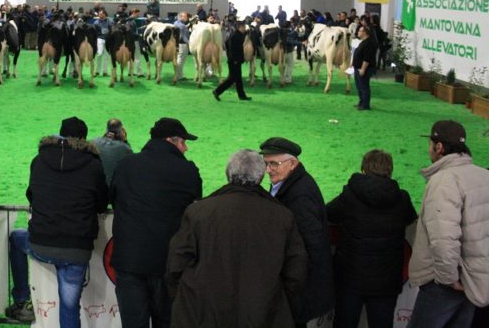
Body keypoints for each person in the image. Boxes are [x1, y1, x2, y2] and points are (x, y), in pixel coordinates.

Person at [166, 149, 308, 328]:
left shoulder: (198, 212)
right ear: (261, 175)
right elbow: (295, 272)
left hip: (203, 313)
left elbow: (176, 263)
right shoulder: (282, 216)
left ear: (228, 174)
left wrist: (185, 300)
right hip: (263, 313)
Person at [6, 117, 108, 327]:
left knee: (16, 238)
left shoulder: (39, 160)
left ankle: (21, 299)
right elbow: (101, 204)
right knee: (70, 308)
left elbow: (31, 195)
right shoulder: (93, 164)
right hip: (76, 249)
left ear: (60, 134)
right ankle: (22, 300)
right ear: (84, 138)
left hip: (41, 242)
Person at [110, 117, 202, 328]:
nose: (186, 148)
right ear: (171, 141)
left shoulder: (126, 164)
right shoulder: (187, 171)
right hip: (167, 263)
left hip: (129, 260)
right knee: (167, 322)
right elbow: (194, 210)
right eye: (183, 142)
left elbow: (114, 199)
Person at [408, 121, 489, 328]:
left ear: (439, 147)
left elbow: (444, 238)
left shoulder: (443, 181)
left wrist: (449, 279)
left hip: (447, 283)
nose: (429, 149)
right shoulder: (484, 175)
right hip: (475, 281)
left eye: (430, 143)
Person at [327, 150, 417, 328]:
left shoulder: (349, 195)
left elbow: (328, 214)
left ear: (363, 169)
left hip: (350, 278)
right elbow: (410, 219)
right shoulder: (402, 198)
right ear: (389, 171)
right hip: (386, 280)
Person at [261, 137, 334, 327]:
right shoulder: (289, 183)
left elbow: (311, 247)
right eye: (266, 164)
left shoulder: (300, 197)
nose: (268, 170)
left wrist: (291, 288)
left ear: (292, 163)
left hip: (300, 293)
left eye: (274, 164)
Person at [213, 20, 251, 101]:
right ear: (239, 27)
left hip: (236, 60)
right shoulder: (234, 36)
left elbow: (228, 43)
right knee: (231, 79)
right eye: (243, 27)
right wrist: (234, 59)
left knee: (238, 79)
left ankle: (242, 95)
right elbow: (230, 49)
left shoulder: (237, 34)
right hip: (234, 61)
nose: (244, 28)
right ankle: (217, 91)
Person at [92, 118, 132, 186]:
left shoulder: (94, 142)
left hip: (95, 185)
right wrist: (125, 140)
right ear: (121, 132)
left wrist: (106, 136)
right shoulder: (125, 148)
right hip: (112, 188)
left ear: (107, 130)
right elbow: (130, 163)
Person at [353, 24, 378, 110]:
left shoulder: (369, 43)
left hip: (364, 68)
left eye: (360, 31)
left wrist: (363, 69)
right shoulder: (364, 42)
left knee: (364, 86)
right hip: (358, 67)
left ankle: (365, 104)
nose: (358, 32)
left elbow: (367, 58)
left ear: (365, 32)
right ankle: (361, 102)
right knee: (359, 86)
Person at [94, 9, 112, 77]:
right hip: (100, 39)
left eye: (101, 14)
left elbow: (111, 29)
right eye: (99, 14)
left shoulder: (110, 21)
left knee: (106, 56)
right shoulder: (96, 22)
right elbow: (95, 33)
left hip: (107, 40)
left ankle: (105, 72)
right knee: (99, 54)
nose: (99, 15)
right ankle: (97, 71)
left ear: (104, 14)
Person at [173, 12, 190, 81]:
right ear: (180, 17)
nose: (187, 18)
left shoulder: (175, 23)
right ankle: (179, 75)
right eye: (185, 17)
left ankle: (178, 74)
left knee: (178, 59)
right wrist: (189, 43)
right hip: (182, 44)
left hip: (176, 44)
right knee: (181, 60)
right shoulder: (182, 26)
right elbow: (183, 37)